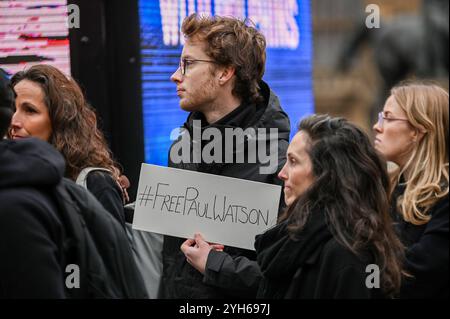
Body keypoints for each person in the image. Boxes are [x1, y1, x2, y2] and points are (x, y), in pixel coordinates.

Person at [186, 114, 404, 298]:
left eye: (293, 161)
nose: (282, 173)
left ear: (325, 174)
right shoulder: (301, 238)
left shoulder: (349, 255)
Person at [161, 13, 290, 298]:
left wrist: (217, 265)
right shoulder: (181, 149)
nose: (175, 75)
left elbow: (287, 279)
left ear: (224, 72)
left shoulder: (279, 163)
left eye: (188, 64)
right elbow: (172, 261)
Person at [8, 65, 128, 226]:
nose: (14, 121)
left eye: (30, 110)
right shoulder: (12, 179)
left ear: (60, 120)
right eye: (11, 109)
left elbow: (114, 250)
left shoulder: (96, 184)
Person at [373, 81, 449, 298]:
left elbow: (415, 275)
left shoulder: (445, 198)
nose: (377, 126)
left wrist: (354, 277)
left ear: (417, 131)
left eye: (387, 117)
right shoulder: (390, 188)